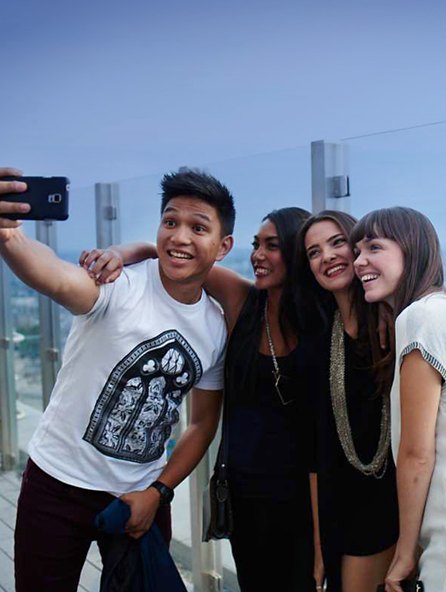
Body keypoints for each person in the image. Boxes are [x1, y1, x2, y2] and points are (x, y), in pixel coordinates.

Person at [0, 167, 235, 592]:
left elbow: (201, 424)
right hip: (57, 484)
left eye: (198, 227)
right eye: (170, 222)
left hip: (139, 497)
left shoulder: (215, 328)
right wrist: (10, 236)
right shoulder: (119, 284)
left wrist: (158, 493)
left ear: (223, 247)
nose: (179, 237)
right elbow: (55, 276)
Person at [81, 207, 317, 592]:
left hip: (305, 496)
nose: (258, 254)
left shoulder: (321, 324)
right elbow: (167, 255)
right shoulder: (244, 301)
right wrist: (119, 254)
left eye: (272, 246)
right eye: (256, 244)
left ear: (296, 253)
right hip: (246, 493)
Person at [351, 206, 446, 592]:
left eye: (374, 247)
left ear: (412, 250)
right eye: (357, 251)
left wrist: (404, 553)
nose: (359, 260)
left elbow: (417, 454)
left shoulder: (422, 317)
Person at [295, 211, 399, 592]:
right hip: (341, 511)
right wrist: (320, 550)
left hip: (396, 507)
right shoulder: (318, 343)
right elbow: (316, 453)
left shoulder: (396, 325)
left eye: (337, 242)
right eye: (313, 252)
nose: (327, 256)